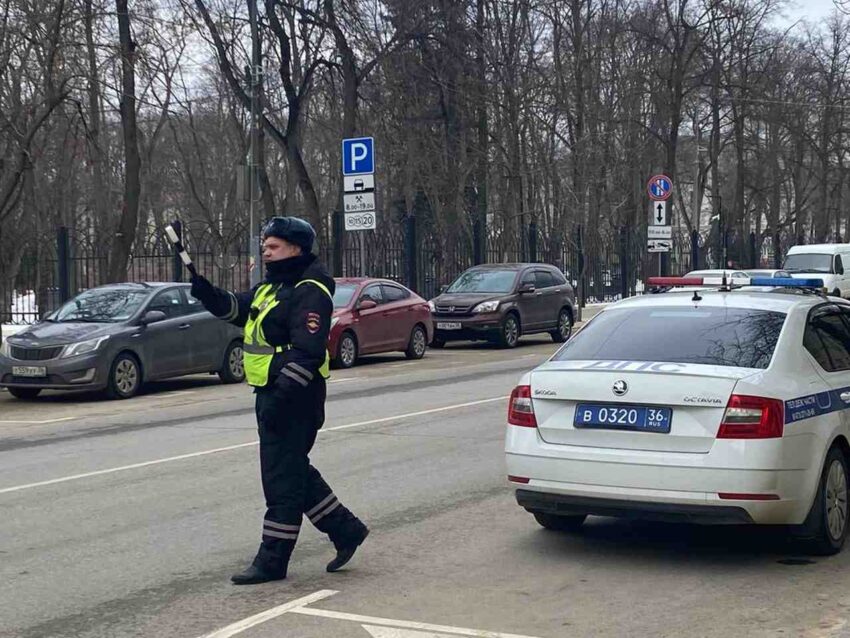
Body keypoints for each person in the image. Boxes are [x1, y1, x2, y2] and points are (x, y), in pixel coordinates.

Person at [189, 216, 369, 585]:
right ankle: (346, 530)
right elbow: (239, 310)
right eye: (265, 246)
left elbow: (308, 352)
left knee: (280, 481)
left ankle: (273, 560)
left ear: (295, 249)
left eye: (273, 247)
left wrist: (282, 398)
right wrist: (207, 293)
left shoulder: (310, 289)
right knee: (293, 471)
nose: (266, 253)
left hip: (295, 396)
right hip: (271, 392)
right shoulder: (272, 287)